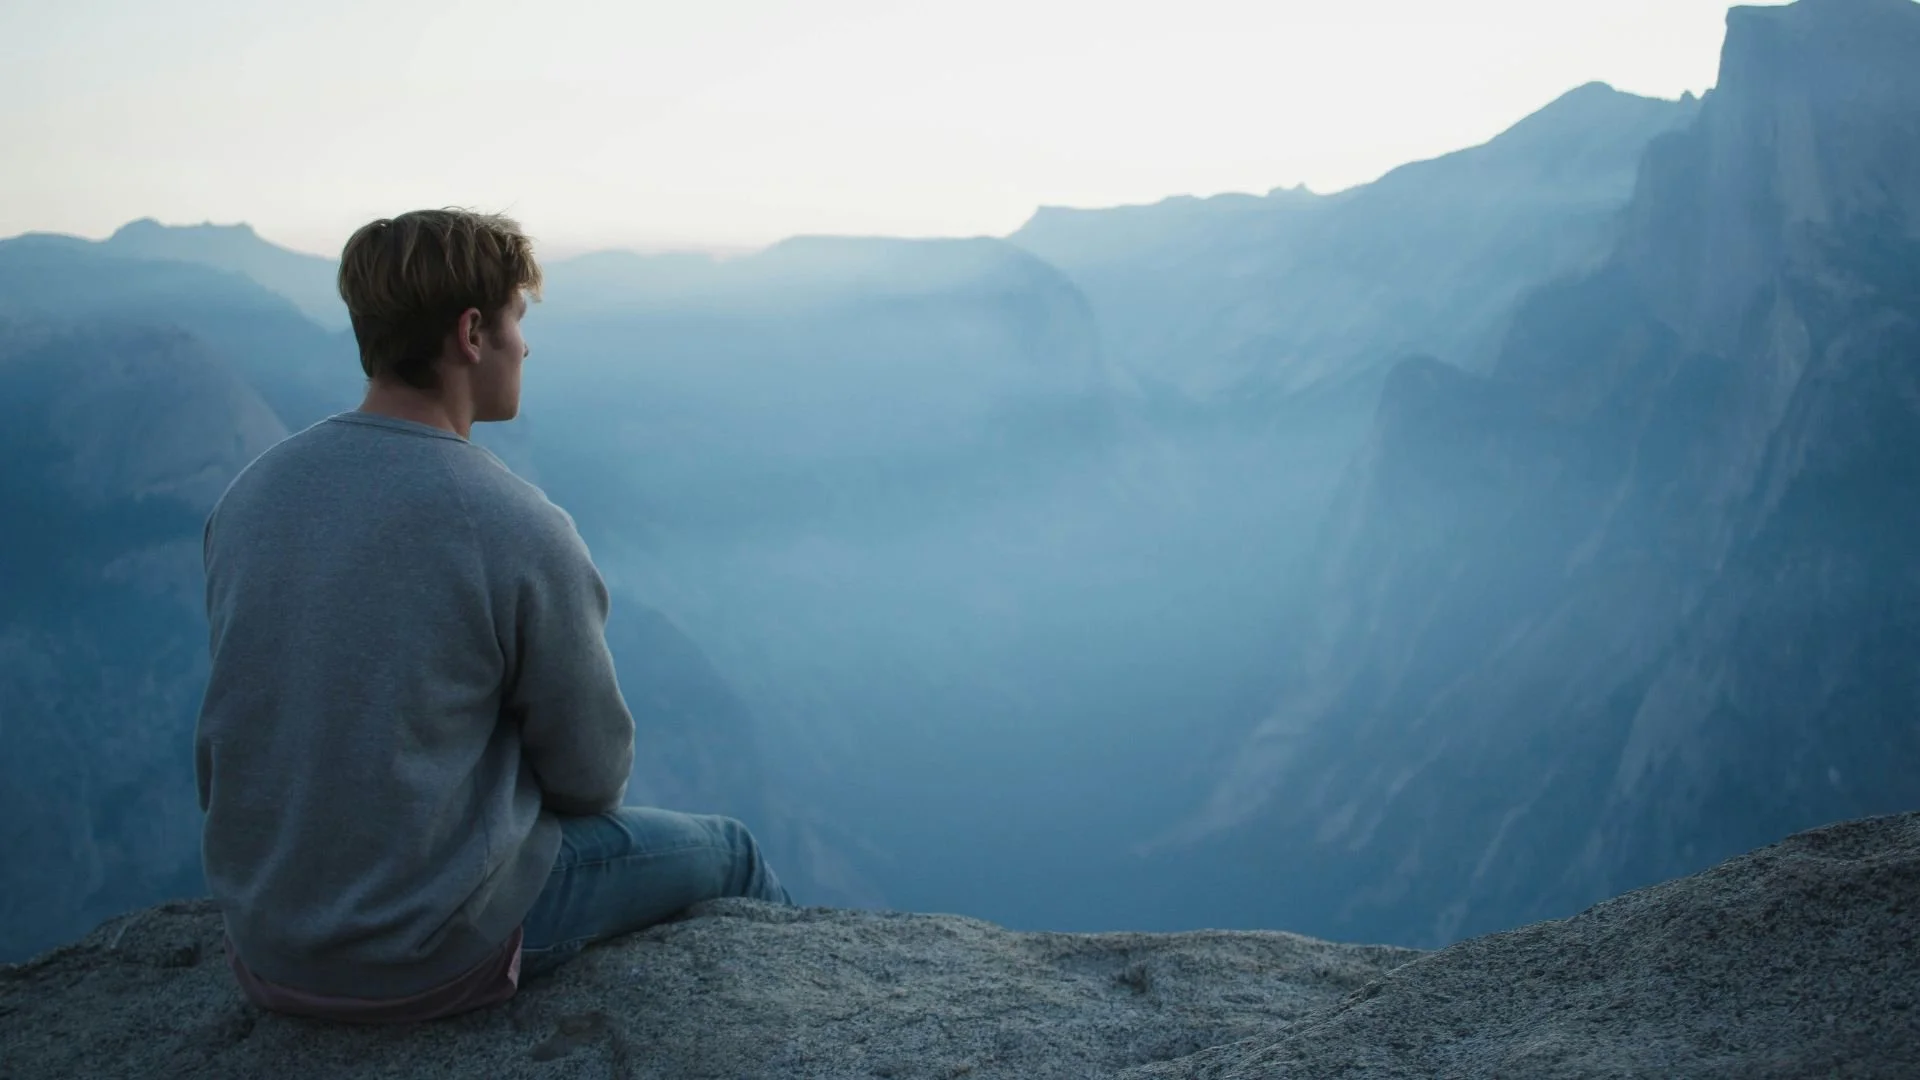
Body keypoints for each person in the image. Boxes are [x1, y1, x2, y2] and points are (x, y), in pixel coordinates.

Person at [194, 207, 792, 1024]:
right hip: (428, 956)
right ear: (472, 333)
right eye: (518, 317)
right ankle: (810, 1018)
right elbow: (592, 776)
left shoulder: (248, 498)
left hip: (266, 950)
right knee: (734, 851)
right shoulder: (514, 524)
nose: (526, 345)